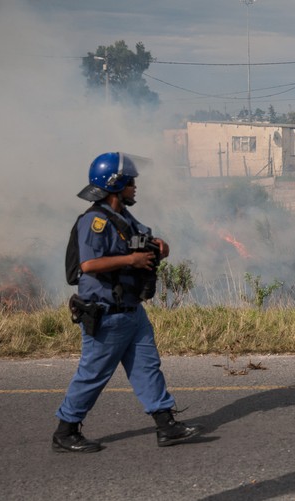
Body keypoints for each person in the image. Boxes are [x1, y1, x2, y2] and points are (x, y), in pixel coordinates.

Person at [52, 152, 203, 453]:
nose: (135, 187)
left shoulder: (123, 216)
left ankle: (166, 425)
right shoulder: (94, 221)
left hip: (131, 311)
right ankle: (65, 431)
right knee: (93, 374)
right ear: (115, 184)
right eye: (131, 182)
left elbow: (142, 238)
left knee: (147, 367)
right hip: (106, 313)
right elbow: (88, 265)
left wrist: (159, 245)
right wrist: (131, 259)